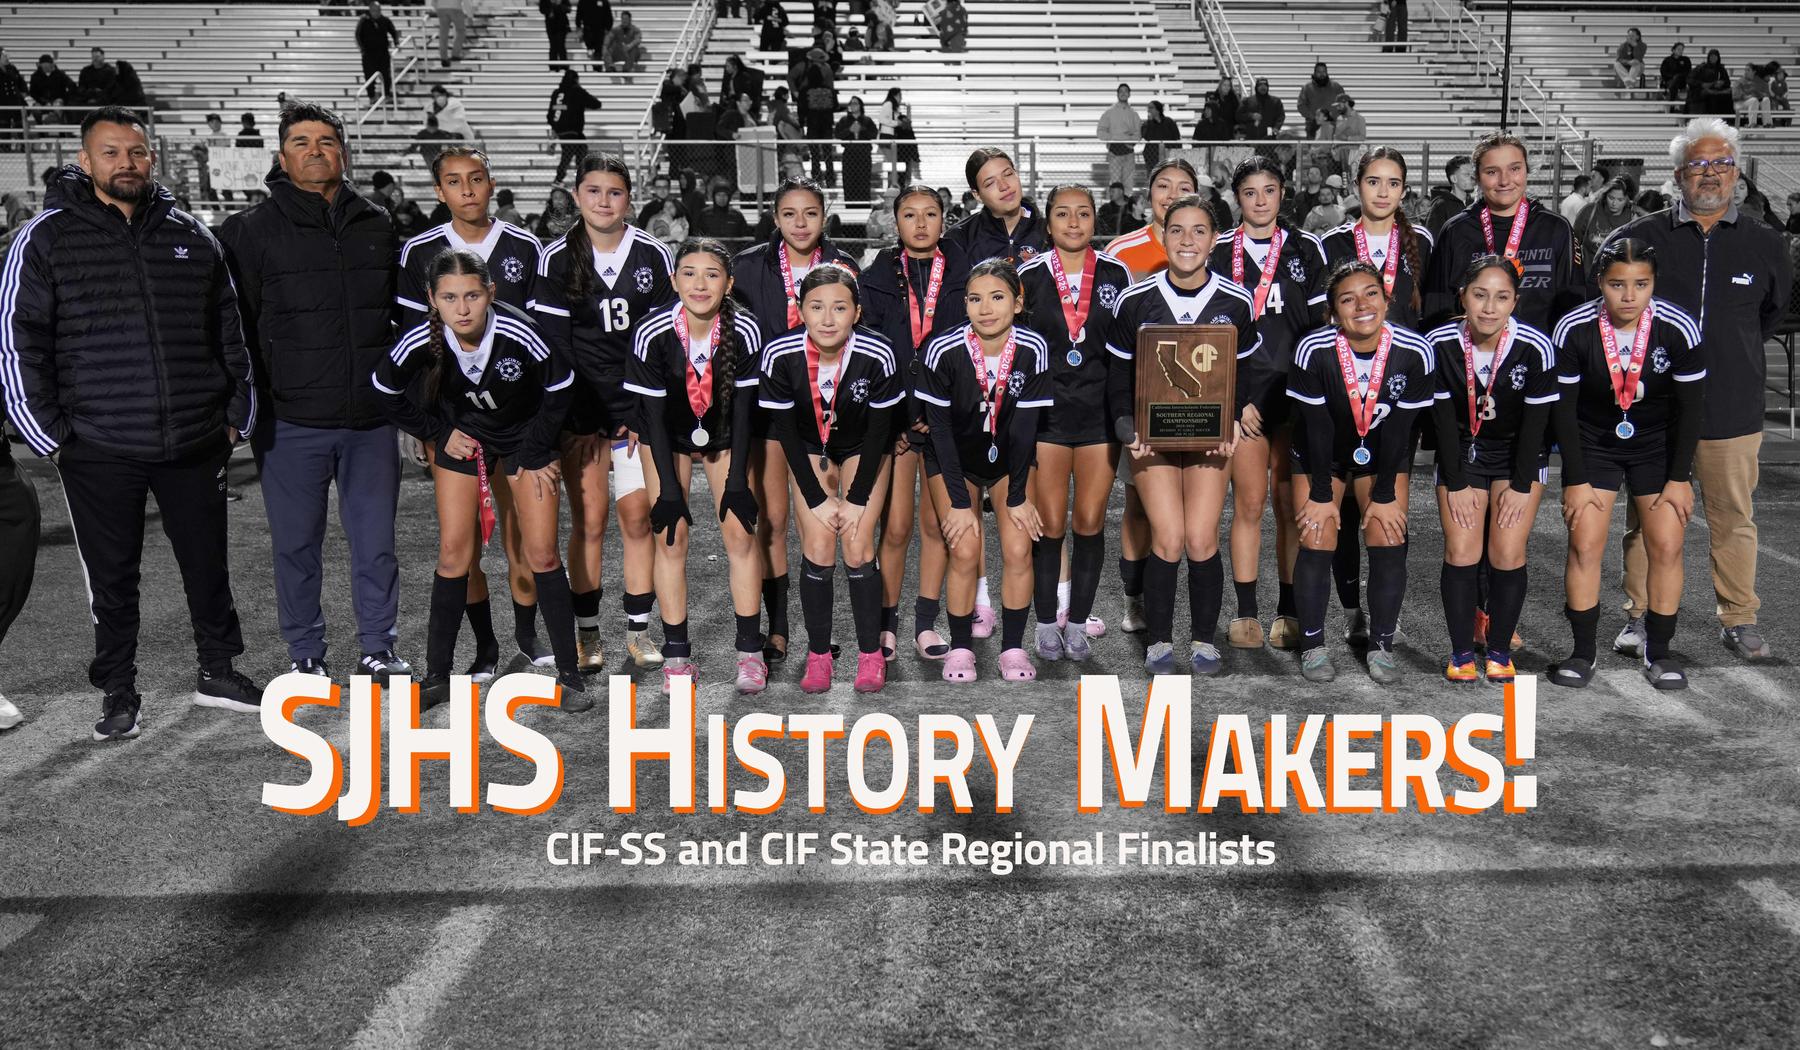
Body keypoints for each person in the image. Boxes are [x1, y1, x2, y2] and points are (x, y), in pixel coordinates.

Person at [1, 108, 262, 739]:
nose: (127, 163)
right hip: (98, 445)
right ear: (85, 163)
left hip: (195, 438)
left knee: (207, 562)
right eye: (111, 153)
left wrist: (234, 416)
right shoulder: (43, 238)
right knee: (111, 576)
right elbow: (18, 344)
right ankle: (118, 689)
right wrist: (55, 441)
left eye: (137, 152)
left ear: (152, 160)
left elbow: (232, 331)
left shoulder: (192, 235)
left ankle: (218, 671)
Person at [219, 101, 408, 680]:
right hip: (291, 422)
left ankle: (378, 647)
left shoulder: (379, 224)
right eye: (302, 142)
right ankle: (306, 654)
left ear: (343, 153)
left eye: (326, 141)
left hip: (372, 422)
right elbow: (236, 329)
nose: (315, 151)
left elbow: (400, 322)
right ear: (282, 157)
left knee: (376, 546)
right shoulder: (249, 230)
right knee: (297, 549)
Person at [374, 249, 591, 708]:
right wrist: (437, 432)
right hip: (464, 440)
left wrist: (535, 449)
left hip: (523, 440)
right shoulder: (421, 338)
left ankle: (569, 676)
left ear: (491, 292)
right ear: (433, 299)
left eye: (473, 295)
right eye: (450, 297)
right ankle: (436, 676)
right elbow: (383, 388)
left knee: (541, 552)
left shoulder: (517, 331)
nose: (463, 308)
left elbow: (563, 385)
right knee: (454, 552)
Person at [1609, 118, 1792, 662]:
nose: (1709, 174)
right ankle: (1640, 616)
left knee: (1733, 515)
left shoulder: (1766, 242)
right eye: (1697, 165)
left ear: (1736, 171)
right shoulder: (1642, 239)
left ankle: (1739, 617)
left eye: (1721, 163)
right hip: (1657, 409)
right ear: (1677, 174)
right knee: (1647, 519)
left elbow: (1768, 315)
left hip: (1733, 408)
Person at [396, 147, 555, 677]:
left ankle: (530, 642)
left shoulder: (527, 247)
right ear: (438, 191)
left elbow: (543, 349)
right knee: (462, 543)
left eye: (477, 179)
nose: (466, 189)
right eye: (453, 181)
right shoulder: (417, 251)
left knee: (522, 537)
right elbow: (409, 347)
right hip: (456, 428)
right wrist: (430, 426)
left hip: (519, 422)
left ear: (491, 184)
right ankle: (485, 646)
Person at [1104, 195, 1265, 675]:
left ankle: (1202, 640)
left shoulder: (1236, 300)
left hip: (1208, 439)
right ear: (1163, 236)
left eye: (1199, 230)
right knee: (1169, 537)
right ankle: (1158, 641)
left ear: (1214, 240)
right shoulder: (1136, 299)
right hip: (1151, 439)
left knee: (1199, 538)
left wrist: (1231, 421)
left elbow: (1246, 373)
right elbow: (1118, 377)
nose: (1187, 240)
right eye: (1177, 230)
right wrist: (1126, 428)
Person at [532, 154, 673, 672]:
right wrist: (581, 415)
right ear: (576, 196)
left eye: (614, 192)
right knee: (589, 522)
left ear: (629, 198)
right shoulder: (554, 259)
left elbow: (657, 342)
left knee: (637, 519)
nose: (604, 201)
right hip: (581, 415)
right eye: (593, 191)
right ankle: (588, 633)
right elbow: (556, 349)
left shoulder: (654, 256)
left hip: (635, 413)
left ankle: (638, 630)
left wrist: (638, 411)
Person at [1549, 239, 1704, 689]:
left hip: (1656, 447)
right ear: (1600, 283)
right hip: (1594, 443)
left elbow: (1690, 410)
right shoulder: (1574, 328)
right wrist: (1574, 479)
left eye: (1642, 284)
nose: (1630, 296)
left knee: (1667, 547)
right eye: (1618, 284)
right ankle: (1582, 654)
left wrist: (1680, 478)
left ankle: (1658, 652)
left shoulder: (1679, 328)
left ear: (1654, 283)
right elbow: (1564, 411)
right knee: (1583, 546)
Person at [731, 177, 861, 666]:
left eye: (809, 213)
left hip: (823, 418)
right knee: (773, 521)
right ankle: (779, 630)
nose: (800, 223)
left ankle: (818, 635)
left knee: (819, 525)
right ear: (775, 218)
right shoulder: (746, 267)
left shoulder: (845, 266)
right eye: (789, 214)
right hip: (768, 414)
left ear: (823, 216)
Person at [1287, 260, 1436, 682]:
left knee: (1387, 534)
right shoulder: (1313, 350)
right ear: (1333, 312)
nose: (1361, 305)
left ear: (1387, 299)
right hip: (1322, 456)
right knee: (1316, 535)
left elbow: (1402, 433)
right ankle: (1313, 645)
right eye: (1347, 299)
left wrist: (1385, 493)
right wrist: (1320, 494)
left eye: (1370, 293)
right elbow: (1316, 429)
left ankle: (1382, 645)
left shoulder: (1414, 351)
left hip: (1382, 454)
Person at [628, 239, 766, 691]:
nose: (699, 283)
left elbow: (745, 412)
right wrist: (668, 490)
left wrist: (737, 481)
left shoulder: (744, 329)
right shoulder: (651, 331)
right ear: (673, 280)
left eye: (711, 274)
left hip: (727, 436)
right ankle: (676, 659)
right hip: (666, 438)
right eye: (688, 273)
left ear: (728, 284)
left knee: (740, 534)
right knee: (670, 538)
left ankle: (749, 654)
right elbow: (651, 416)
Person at [759, 266, 902, 691]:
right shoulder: (780, 354)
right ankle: (819, 655)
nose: (827, 318)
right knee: (819, 545)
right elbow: (785, 433)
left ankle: (870, 654)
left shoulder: (879, 353)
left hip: (863, 447)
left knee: (858, 544)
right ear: (800, 310)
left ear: (856, 312)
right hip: (809, 448)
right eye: (816, 307)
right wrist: (817, 499)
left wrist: (856, 499)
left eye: (839, 307)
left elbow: (879, 433)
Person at [918, 260, 1052, 682]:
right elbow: (938, 431)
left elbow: (1027, 428)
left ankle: (1013, 648)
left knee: (1017, 549)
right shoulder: (942, 349)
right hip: (953, 459)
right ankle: (961, 648)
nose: (986, 308)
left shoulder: (1034, 348)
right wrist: (959, 502)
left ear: (1017, 301)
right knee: (964, 550)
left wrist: (1016, 495)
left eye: (997, 297)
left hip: (1009, 460)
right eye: (975, 299)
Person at [1216, 158, 1329, 652]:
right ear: (1236, 198)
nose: (1260, 201)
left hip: (1297, 395)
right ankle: (1245, 613)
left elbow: (1324, 329)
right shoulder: (1218, 250)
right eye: (1249, 193)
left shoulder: (1308, 248)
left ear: (1284, 194)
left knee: (1290, 507)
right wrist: (1238, 399)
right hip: (1245, 403)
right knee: (1249, 504)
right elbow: (1209, 336)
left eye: (1269, 190)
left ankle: (1288, 610)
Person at [1427, 256, 1557, 683]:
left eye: (1501, 297)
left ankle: (1499, 651)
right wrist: (1458, 482)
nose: (1489, 307)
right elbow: (1444, 426)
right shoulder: (1440, 344)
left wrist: (1521, 487)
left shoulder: (1535, 347)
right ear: (1463, 296)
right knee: (1462, 551)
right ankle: (1462, 651)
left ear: (1515, 301)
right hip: (1462, 452)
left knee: (1507, 552)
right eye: (1479, 295)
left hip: (1517, 456)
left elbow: (1537, 430)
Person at [1018, 186, 1131, 662]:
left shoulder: (1115, 272)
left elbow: (1126, 351)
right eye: (1062, 214)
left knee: (1088, 522)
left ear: (1094, 221)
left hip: (1098, 418)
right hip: (1046, 418)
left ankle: (1079, 623)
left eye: (1083, 213)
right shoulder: (1026, 276)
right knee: (1049, 526)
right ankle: (1047, 624)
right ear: (1048, 224)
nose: (1073, 222)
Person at [860, 185, 969, 661]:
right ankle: (888, 624)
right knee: (897, 525)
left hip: (946, 418)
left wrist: (936, 413)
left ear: (944, 220)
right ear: (895, 221)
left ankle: (926, 622)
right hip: (897, 423)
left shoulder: (963, 271)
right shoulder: (876, 275)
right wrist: (904, 420)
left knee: (937, 523)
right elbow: (874, 352)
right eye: (910, 214)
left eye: (930, 214)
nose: (920, 223)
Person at [1104, 157, 1200, 635]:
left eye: (1184, 185)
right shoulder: (1124, 250)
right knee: (1140, 502)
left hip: (1200, 402)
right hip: (1144, 401)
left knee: (1197, 510)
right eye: (1164, 185)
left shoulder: (1210, 244)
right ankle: (1135, 597)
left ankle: (1190, 605)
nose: (1172, 193)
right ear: (1149, 194)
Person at [1424, 131, 1585, 333]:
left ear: (1527, 170)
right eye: (1492, 172)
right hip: (1468, 359)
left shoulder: (1556, 229)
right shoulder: (1456, 230)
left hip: (1538, 359)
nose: (1504, 180)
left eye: (1515, 169)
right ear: (1477, 177)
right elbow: (1437, 308)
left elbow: (1573, 310)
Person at [947, 147, 1049, 267]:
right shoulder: (960, 239)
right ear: (977, 195)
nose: (1004, 186)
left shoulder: (1050, 232)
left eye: (1008, 174)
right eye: (990, 183)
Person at [547, 69, 603, 183]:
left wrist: (554, 129)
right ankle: (559, 179)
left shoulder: (557, 93)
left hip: (560, 130)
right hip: (573, 130)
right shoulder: (576, 91)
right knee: (568, 155)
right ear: (576, 80)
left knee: (580, 150)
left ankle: (580, 177)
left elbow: (550, 114)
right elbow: (596, 103)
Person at [1574, 175, 1643, 262]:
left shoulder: (1632, 216)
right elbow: (1574, 242)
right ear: (1605, 195)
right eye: (1611, 198)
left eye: (1620, 200)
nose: (1614, 203)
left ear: (1627, 200)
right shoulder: (1590, 211)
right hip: (1588, 271)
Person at [1097, 84, 1141, 193]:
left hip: (1129, 153)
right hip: (1114, 153)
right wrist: (1113, 139)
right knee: (1115, 183)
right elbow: (1100, 131)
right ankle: (1115, 208)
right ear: (1117, 94)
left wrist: (1129, 142)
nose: (1123, 93)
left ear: (1129, 94)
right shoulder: (1109, 113)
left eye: (1126, 91)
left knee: (1128, 183)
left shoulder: (1134, 114)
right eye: (1121, 91)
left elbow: (1138, 133)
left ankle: (1127, 209)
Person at [835, 95, 878, 201]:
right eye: (851, 103)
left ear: (860, 106)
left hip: (864, 153)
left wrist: (862, 129)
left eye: (855, 103)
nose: (852, 106)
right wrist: (850, 130)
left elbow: (873, 134)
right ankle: (850, 205)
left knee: (863, 180)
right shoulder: (844, 120)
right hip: (849, 153)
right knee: (849, 180)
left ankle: (863, 204)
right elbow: (838, 134)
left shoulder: (867, 120)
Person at [357, 2, 401, 101]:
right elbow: (358, 35)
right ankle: (372, 96)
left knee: (386, 76)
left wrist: (396, 42)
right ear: (370, 10)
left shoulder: (385, 20)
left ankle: (386, 95)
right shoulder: (364, 21)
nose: (376, 13)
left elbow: (393, 31)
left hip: (383, 53)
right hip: (368, 54)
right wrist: (362, 49)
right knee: (369, 76)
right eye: (374, 11)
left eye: (378, 10)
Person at [1425, 155, 1474, 238]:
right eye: (1466, 174)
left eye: (1472, 174)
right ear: (1454, 179)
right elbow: (1434, 240)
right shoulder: (1441, 206)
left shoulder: (1475, 204)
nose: (1472, 178)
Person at [1298, 61, 1347, 138]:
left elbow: (1343, 104)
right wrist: (1314, 117)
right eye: (1319, 72)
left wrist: (1333, 116)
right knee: (1313, 149)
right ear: (1314, 73)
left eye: (1324, 72)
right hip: (1313, 126)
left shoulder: (1336, 87)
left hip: (1333, 125)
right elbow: (1301, 106)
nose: (1322, 74)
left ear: (1327, 72)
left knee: (1332, 149)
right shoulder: (1307, 88)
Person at [29, 55, 76, 125]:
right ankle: (41, 130)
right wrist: (43, 102)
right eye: (44, 66)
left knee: (58, 107)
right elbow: (33, 93)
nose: (45, 68)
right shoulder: (35, 76)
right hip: (42, 101)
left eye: (47, 66)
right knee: (35, 109)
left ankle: (62, 131)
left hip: (57, 100)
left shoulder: (60, 74)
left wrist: (63, 98)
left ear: (51, 65)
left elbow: (72, 85)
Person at [1687, 49, 1733, 116]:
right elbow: (1690, 80)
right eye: (1711, 56)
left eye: (1715, 57)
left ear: (1718, 58)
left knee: (1728, 94)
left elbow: (1727, 82)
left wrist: (1721, 83)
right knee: (1710, 95)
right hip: (1703, 90)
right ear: (1708, 57)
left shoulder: (1721, 69)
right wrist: (1702, 84)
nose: (1713, 58)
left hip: (1717, 90)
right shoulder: (1701, 68)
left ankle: (1727, 119)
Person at [1141, 100, 1180, 176]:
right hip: (1152, 156)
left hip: (1168, 154)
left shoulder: (1169, 122)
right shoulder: (1147, 124)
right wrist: (1149, 122)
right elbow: (1146, 137)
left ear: (1158, 110)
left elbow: (1176, 137)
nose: (1148, 110)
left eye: (1151, 108)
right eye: (1148, 108)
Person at [1734, 62, 1772, 128]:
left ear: (1754, 72)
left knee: (1766, 100)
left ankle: (1767, 123)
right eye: (1745, 70)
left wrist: (1760, 94)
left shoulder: (1760, 81)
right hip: (1741, 103)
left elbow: (1767, 95)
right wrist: (1748, 96)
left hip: (1756, 102)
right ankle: (1752, 124)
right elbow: (1735, 96)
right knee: (1753, 100)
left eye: (1748, 70)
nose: (1746, 72)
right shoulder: (1739, 81)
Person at [577, 0, 612, 68]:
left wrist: (608, 28)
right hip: (588, 30)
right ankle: (593, 62)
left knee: (598, 51)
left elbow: (608, 16)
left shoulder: (604, 1)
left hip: (600, 31)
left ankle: (597, 68)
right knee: (590, 49)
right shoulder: (583, 1)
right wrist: (579, 27)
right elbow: (578, 15)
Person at [435, 0, 468, 67]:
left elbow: (433, 2)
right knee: (461, 31)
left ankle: (443, 58)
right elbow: (467, 1)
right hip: (455, 8)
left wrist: (437, 8)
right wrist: (470, 15)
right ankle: (455, 53)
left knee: (443, 34)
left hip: (441, 8)